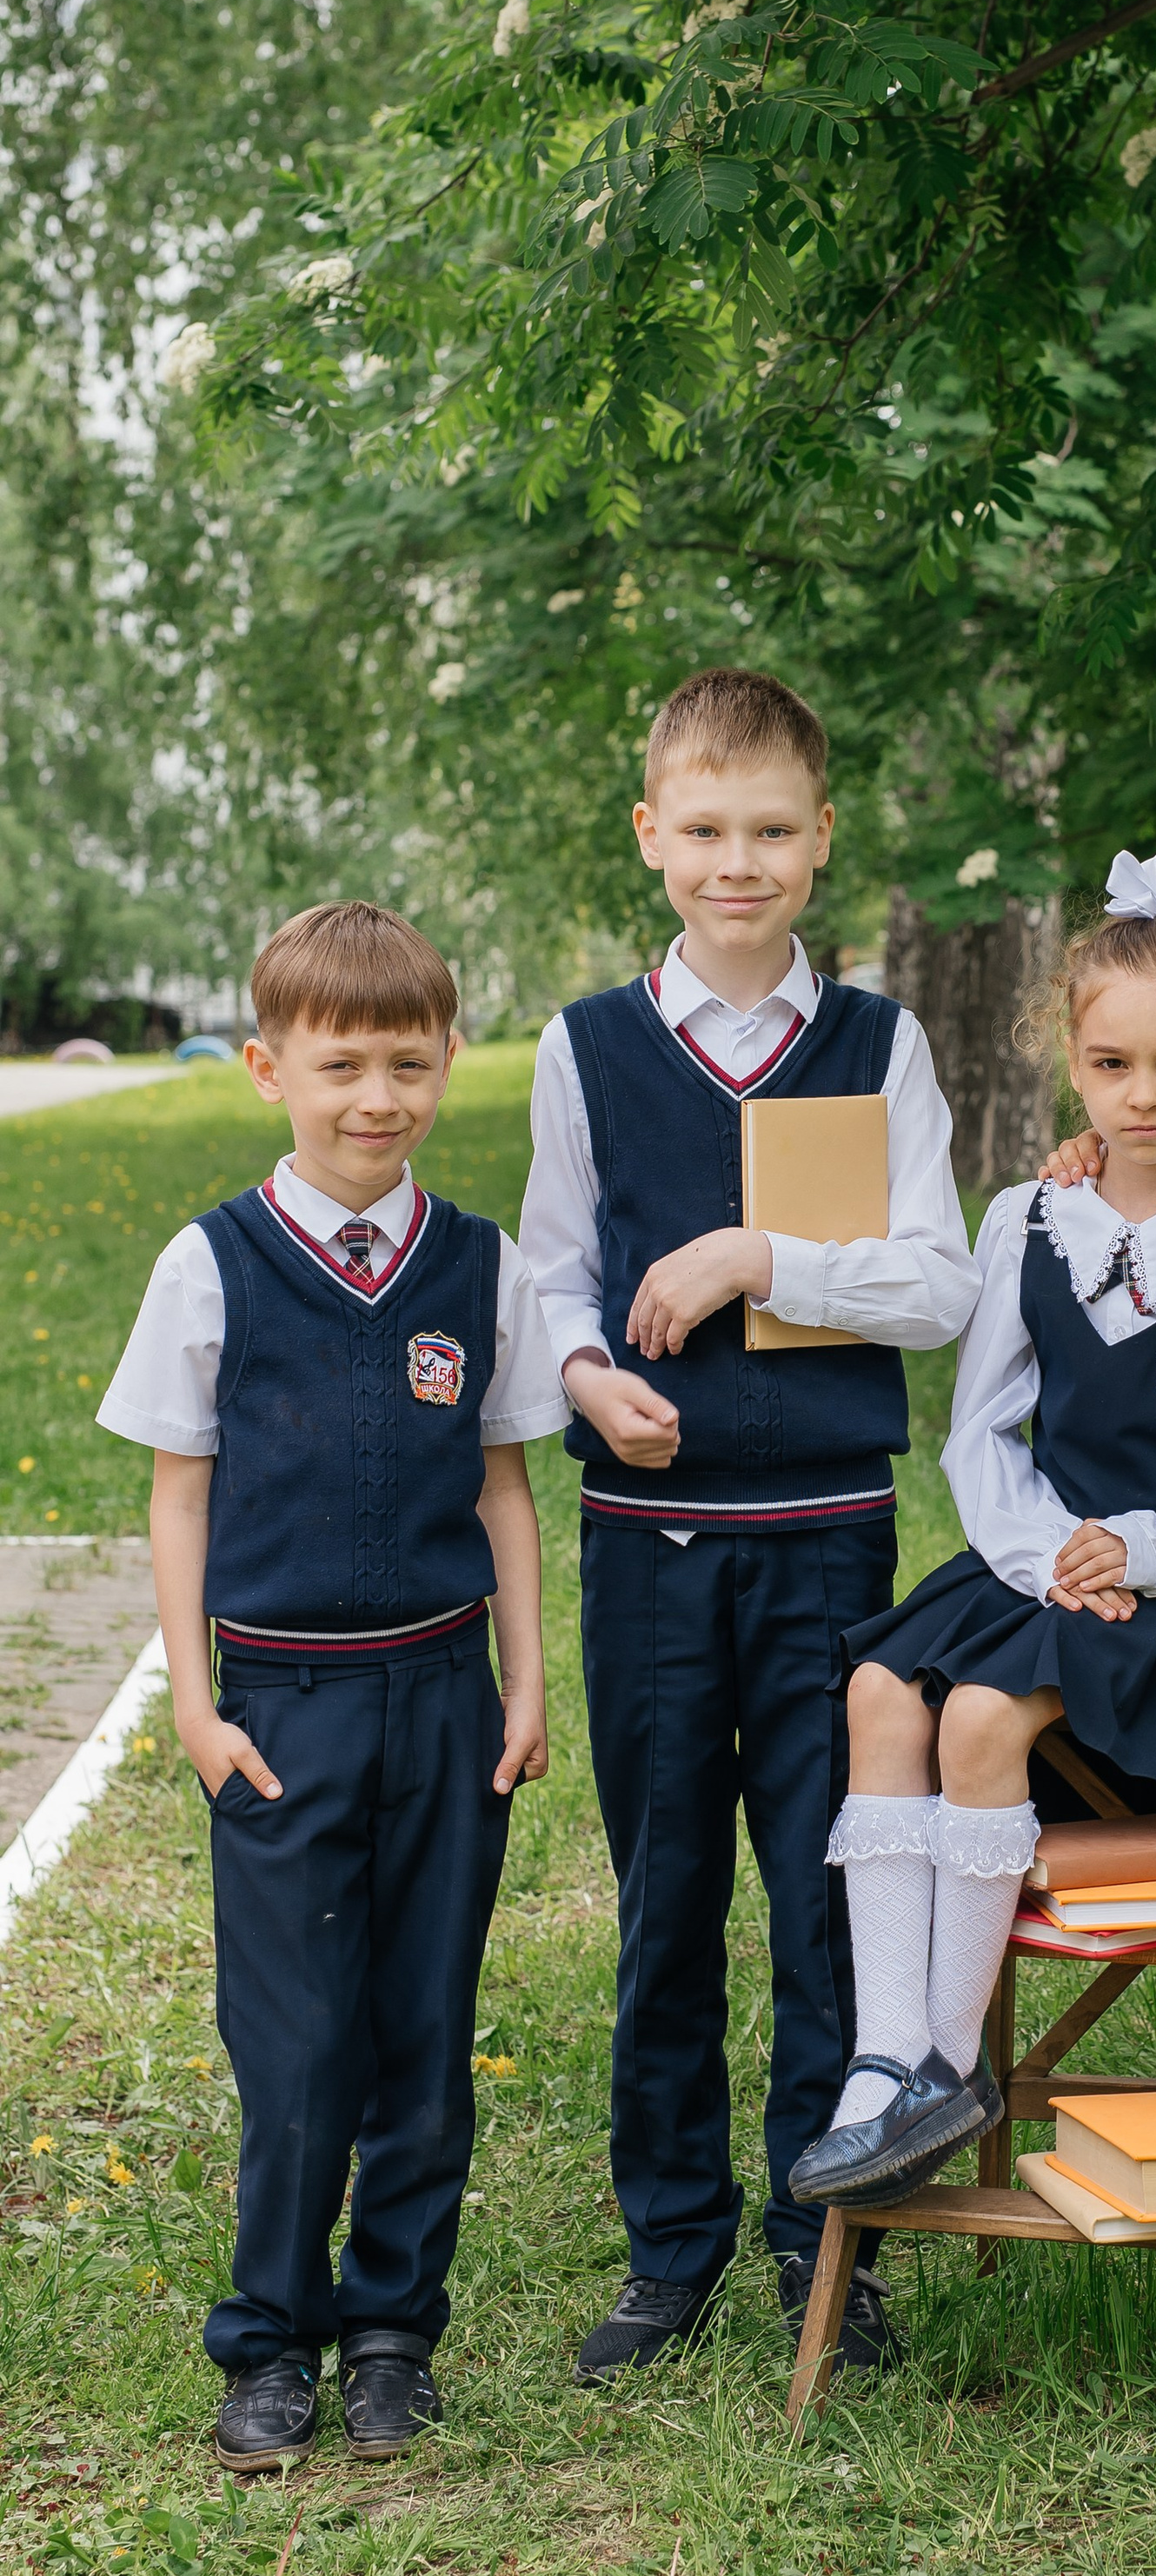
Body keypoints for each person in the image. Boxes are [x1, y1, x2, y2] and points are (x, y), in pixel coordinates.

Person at [788, 852, 1156, 2209]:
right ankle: (885, 2059)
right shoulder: (1031, 1220)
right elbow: (981, 1427)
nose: (1145, 1094)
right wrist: (1040, 1549)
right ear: (1072, 1057)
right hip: (1039, 1557)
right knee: (883, 1686)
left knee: (983, 1721)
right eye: (1113, 1063)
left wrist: (1154, 1549)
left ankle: (950, 2060)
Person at [521, 667, 978, 2385]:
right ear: (651, 837)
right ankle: (671, 2242)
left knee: (820, 1890)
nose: (738, 860)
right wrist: (579, 1370)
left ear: (820, 839)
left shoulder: (876, 1044)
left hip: (825, 1534)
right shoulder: (586, 1045)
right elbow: (549, 1266)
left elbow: (933, 1281)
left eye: (771, 829)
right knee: (666, 1899)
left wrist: (758, 1259)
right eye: (705, 828)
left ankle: (823, 2239)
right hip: (647, 1542)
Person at [97, 902, 568, 2471]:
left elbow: (505, 1488)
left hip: (442, 1698)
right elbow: (180, 1493)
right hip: (282, 1711)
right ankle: (268, 2342)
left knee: (424, 2036)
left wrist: (524, 1678)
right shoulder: (213, 1261)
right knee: (296, 2049)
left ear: (445, 1065)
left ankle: (390, 2334)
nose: (378, 1096)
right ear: (268, 1066)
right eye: (342, 1063)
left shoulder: (478, 1264)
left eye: (410, 1062)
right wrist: (195, 1702)